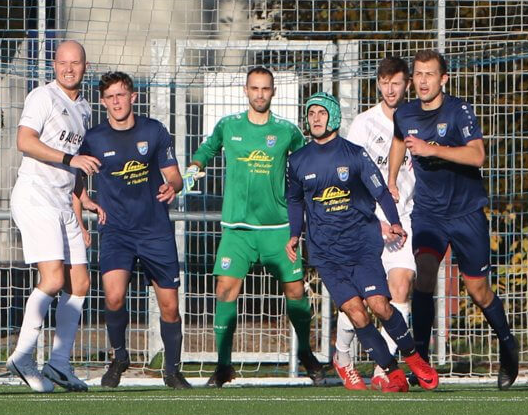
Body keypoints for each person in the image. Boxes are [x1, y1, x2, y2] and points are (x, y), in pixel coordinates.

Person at [286, 93, 439, 393]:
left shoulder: (354, 154)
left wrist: (394, 221)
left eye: (321, 112)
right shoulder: (298, 161)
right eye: (311, 113)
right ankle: (392, 373)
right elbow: (294, 201)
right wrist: (294, 234)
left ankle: (414, 358)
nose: (315, 118)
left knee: (380, 305)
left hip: (362, 245)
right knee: (356, 312)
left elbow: (381, 192)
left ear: (333, 117)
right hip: (326, 253)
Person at [387, 50, 519, 390]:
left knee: (478, 291)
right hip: (429, 213)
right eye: (418, 74)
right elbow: (399, 141)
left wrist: (434, 150)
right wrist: (390, 180)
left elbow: (477, 155)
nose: (423, 81)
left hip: (466, 213)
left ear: (444, 79)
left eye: (430, 74)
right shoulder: (405, 112)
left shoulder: (458, 111)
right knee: (425, 276)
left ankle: (507, 343)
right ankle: (421, 360)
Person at [187, 67, 324, 387]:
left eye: (265, 89)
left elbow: (306, 165)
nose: (260, 94)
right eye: (255, 88)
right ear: (246, 91)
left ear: (273, 92)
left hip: (277, 229)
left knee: (295, 291)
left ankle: (305, 354)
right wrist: (194, 168)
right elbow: (206, 151)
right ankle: (223, 365)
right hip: (237, 230)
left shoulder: (287, 131)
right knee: (224, 291)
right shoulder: (228, 126)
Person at [77, 71, 190, 389]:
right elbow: (77, 176)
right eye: (110, 97)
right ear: (103, 102)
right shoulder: (94, 139)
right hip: (117, 232)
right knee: (113, 296)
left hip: (155, 230)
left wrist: (173, 187)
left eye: (121, 95)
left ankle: (172, 369)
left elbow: (175, 176)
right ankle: (120, 357)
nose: (116, 101)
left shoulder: (153, 131)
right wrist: (84, 199)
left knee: (169, 305)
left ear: (133, 97)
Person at [5, 40, 104, 393]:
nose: (68, 69)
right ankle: (23, 355)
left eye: (75, 63)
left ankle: (59, 365)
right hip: (35, 196)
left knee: (80, 284)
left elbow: (76, 170)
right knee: (52, 279)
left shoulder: (85, 109)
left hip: (63, 202)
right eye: (63, 62)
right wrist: (69, 160)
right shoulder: (42, 97)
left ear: (84, 67)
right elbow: (25, 141)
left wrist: (83, 200)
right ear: (54, 65)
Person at [335, 56, 417, 390]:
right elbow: (349, 178)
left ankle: (385, 369)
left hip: (405, 220)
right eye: (384, 82)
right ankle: (341, 356)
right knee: (362, 302)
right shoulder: (364, 124)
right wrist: (371, 219)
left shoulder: (417, 121)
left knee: (401, 286)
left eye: (396, 82)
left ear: (406, 84)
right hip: (367, 223)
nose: (389, 88)